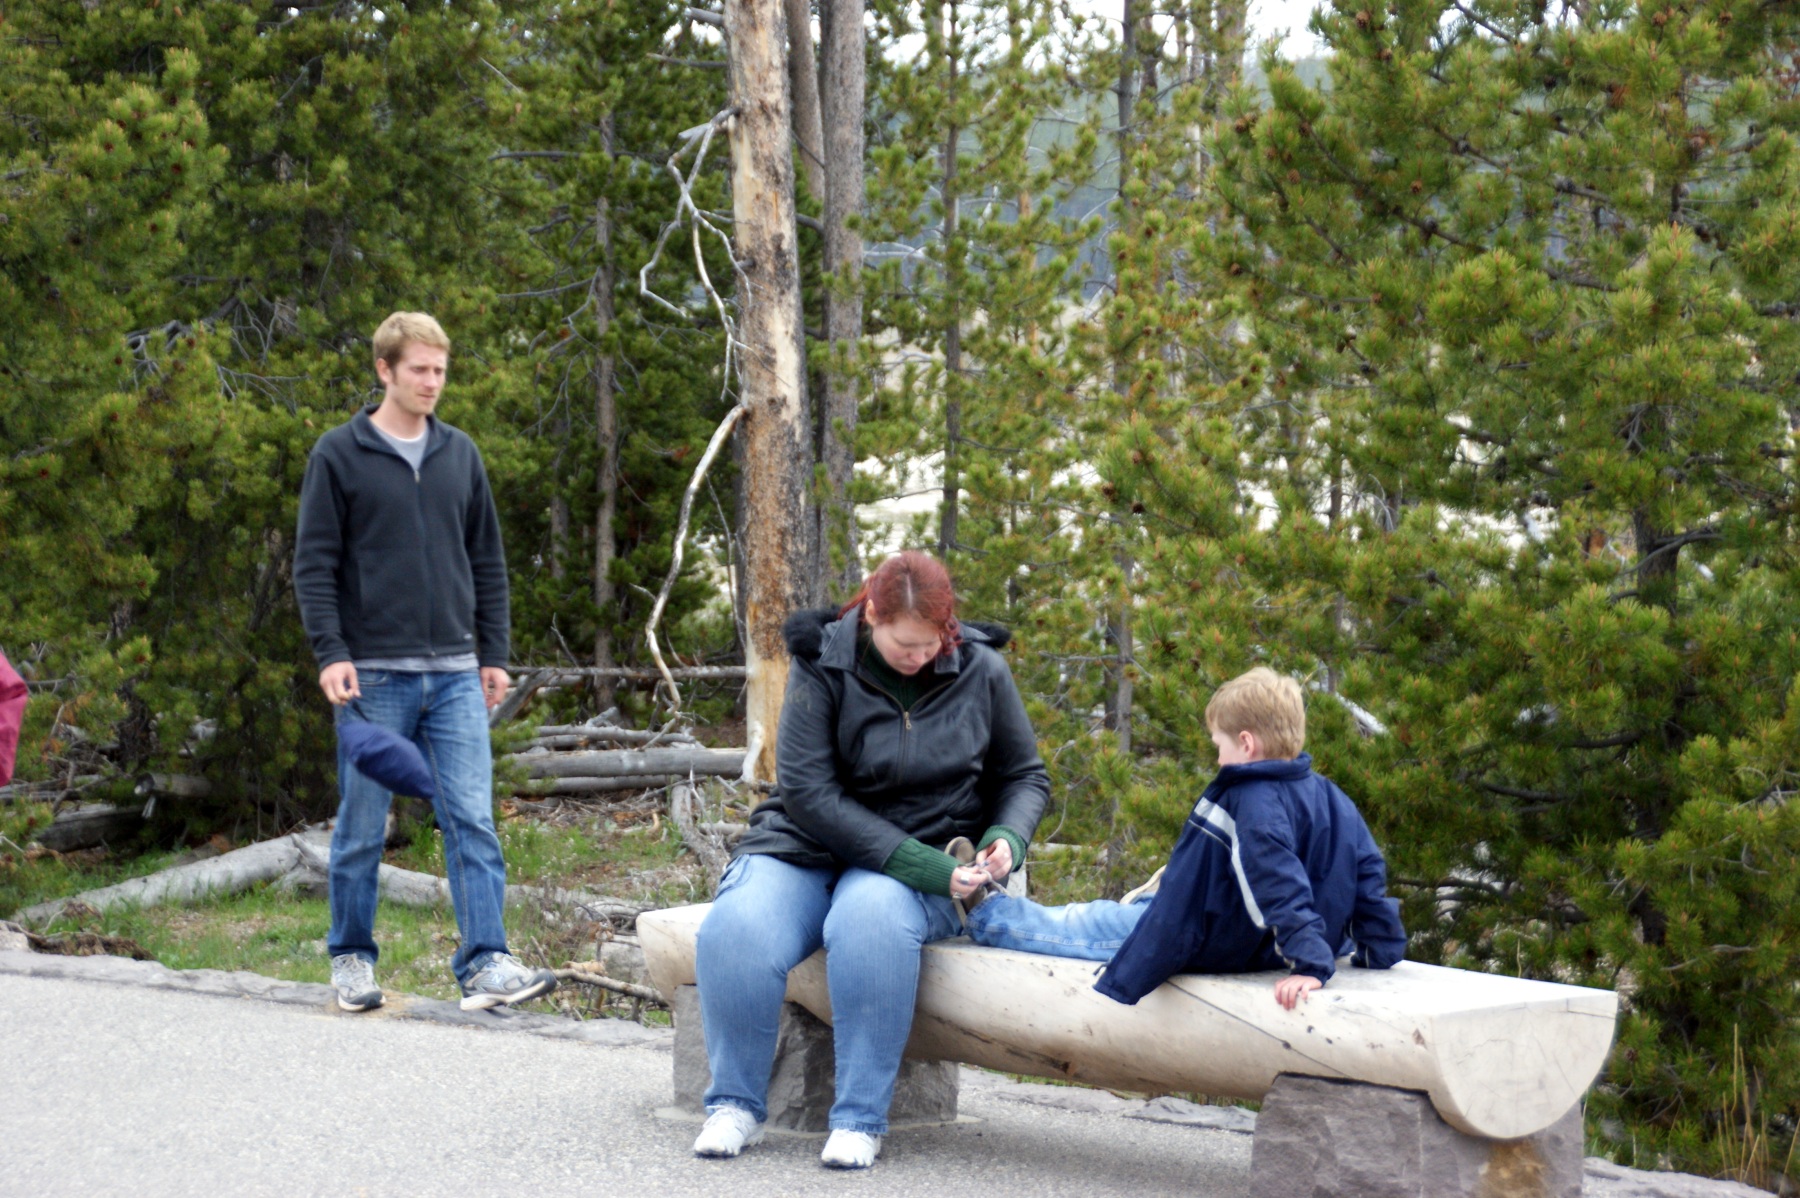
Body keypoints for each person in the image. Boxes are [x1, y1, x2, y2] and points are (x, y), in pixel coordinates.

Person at [691, 551, 1049, 1170]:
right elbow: (807, 792)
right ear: (872, 614)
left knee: (868, 923)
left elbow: (1024, 776)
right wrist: (920, 866)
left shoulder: (982, 668)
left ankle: (859, 1119)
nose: (920, 656)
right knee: (736, 929)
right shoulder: (822, 661)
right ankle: (734, 1106)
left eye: (932, 643)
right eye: (905, 644)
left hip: (926, 846)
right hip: (808, 842)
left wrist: (1008, 839)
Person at [294, 311, 556, 1014]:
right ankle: (351, 957)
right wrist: (331, 654)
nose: (432, 382)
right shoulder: (338, 454)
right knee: (362, 824)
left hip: (455, 675)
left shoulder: (459, 454)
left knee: (471, 818)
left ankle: (486, 962)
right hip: (373, 676)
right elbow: (314, 565)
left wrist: (493, 653)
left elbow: (487, 561)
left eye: (440, 370)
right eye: (419, 369)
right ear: (385, 370)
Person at [962, 667, 1406, 1011]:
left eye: (1219, 745)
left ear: (1246, 744)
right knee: (1133, 908)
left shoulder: (1252, 801)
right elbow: (1367, 871)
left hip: (1214, 939)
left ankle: (985, 913)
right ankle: (1139, 904)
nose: (1218, 757)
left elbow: (1277, 883)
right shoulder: (1330, 795)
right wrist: (1379, 945)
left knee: (1085, 924)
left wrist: (1310, 964)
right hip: (1241, 930)